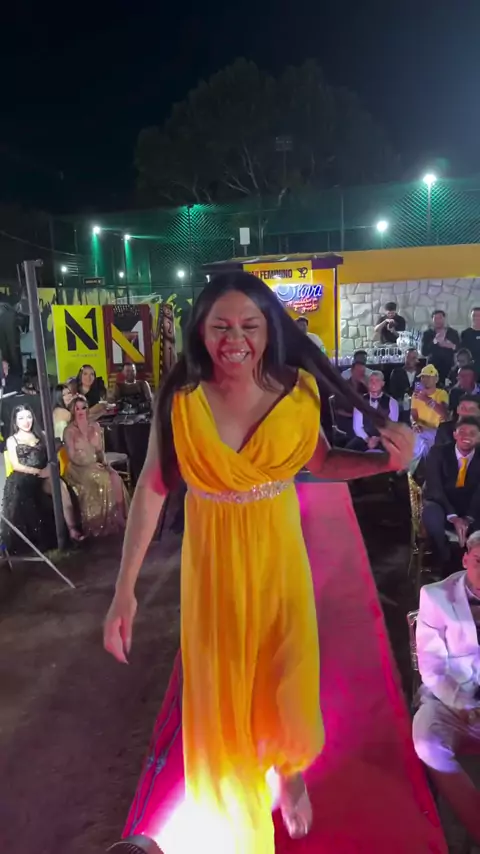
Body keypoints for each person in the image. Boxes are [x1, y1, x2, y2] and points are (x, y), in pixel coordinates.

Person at [103, 271, 413, 852]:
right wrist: (125, 590)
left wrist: (384, 464)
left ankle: (290, 774)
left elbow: (322, 463)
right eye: (220, 326)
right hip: (213, 566)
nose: (235, 339)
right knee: (224, 688)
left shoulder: (299, 392)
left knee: (287, 673)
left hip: (279, 556)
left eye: (249, 325)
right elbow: (152, 487)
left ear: (269, 329)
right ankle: (235, 819)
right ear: (200, 331)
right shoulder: (181, 400)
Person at [413, 531, 480, 843]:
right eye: (479, 561)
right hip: (452, 699)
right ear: (465, 559)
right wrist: (463, 704)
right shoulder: (435, 597)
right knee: (427, 741)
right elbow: (432, 666)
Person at [1, 404, 83, 552]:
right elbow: (16, 465)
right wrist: (38, 472)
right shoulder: (12, 440)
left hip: (45, 474)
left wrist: (48, 469)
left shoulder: (42, 435)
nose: (26, 421)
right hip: (24, 479)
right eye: (21, 418)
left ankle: (72, 529)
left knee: (60, 486)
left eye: (28, 417)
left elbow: (52, 457)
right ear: (15, 421)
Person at [64, 395, 129, 537]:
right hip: (78, 468)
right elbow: (72, 456)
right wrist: (90, 465)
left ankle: (119, 516)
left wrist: (105, 463)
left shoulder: (95, 426)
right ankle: (98, 523)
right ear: (73, 411)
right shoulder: (69, 431)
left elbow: (100, 450)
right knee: (102, 479)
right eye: (77, 409)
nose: (80, 411)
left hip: (95, 463)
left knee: (114, 476)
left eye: (83, 408)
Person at [422, 416, 480, 569]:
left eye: (472, 433)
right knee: (431, 513)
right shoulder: (438, 452)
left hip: (470, 505)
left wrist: (469, 517)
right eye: (462, 432)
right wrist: (453, 516)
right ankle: (442, 555)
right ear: (454, 434)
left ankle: (473, 558)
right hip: (442, 502)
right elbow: (435, 488)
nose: (466, 436)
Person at [348, 371, 399, 452]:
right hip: (364, 438)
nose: (373, 383)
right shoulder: (360, 401)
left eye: (377, 380)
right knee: (347, 452)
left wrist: (379, 439)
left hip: (384, 438)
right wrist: (368, 439)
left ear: (382, 384)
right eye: (371, 380)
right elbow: (357, 427)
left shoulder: (392, 402)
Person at [411, 364, 449, 468]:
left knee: (424, 447)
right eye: (423, 377)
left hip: (436, 431)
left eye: (428, 377)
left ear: (436, 379)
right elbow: (413, 413)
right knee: (418, 444)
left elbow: (444, 414)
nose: (425, 379)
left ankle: (411, 470)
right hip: (420, 430)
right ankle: (415, 470)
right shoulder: (416, 394)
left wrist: (426, 399)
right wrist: (414, 423)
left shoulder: (441, 393)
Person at [421, 309, 460, 384]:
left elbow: (459, 349)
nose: (438, 321)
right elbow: (424, 352)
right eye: (435, 318)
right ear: (432, 320)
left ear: (444, 319)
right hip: (432, 368)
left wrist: (451, 345)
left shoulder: (453, 333)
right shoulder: (427, 334)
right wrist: (435, 341)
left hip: (449, 368)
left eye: (440, 318)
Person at [389, 348, 421, 422]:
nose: (410, 360)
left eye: (413, 358)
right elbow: (392, 391)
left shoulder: (421, 373)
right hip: (401, 406)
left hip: (417, 405)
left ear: (417, 359)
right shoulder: (396, 372)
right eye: (408, 357)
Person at [461, 307, 480, 376]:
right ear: (470, 317)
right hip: (470, 369)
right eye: (474, 315)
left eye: (479, 316)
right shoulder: (465, 334)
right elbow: (462, 352)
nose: (477, 318)